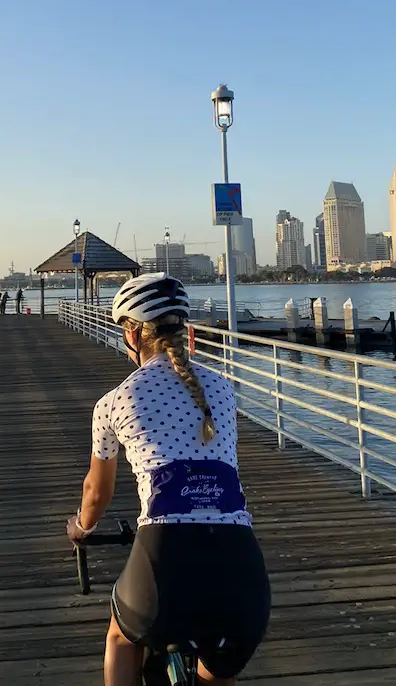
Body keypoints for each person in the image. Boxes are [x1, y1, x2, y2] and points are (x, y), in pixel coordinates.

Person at [67, 273, 270, 686]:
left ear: (131, 332)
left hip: (165, 560)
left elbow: (97, 493)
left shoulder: (115, 401)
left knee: (122, 640)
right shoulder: (223, 390)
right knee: (219, 666)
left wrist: (81, 527)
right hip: (241, 570)